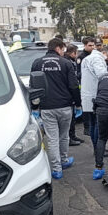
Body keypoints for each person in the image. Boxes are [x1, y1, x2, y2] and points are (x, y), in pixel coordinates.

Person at [31, 38, 81, 180]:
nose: (63, 52)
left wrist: (35, 106)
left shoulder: (37, 63)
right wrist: (78, 104)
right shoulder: (66, 63)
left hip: (47, 107)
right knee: (64, 136)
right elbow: (73, 86)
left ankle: (56, 168)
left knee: (52, 139)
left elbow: (34, 87)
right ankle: (63, 160)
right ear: (58, 48)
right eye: (63, 49)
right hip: (65, 106)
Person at [80, 37, 108, 154]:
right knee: (98, 124)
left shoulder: (86, 59)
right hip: (96, 95)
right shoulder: (97, 59)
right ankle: (99, 149)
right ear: (104, 53)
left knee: (92, 123)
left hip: (88, 95)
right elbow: (102, 75)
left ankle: (96, 148)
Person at [63, 43, 85, 146]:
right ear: (72, 53)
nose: (77, 55)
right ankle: (70, 138)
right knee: (70, 119)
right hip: (69, 93)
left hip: (71, 93)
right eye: (76, 53)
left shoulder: (70, 61)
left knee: (72, 119)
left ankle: (73, 136)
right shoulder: (68, 62)